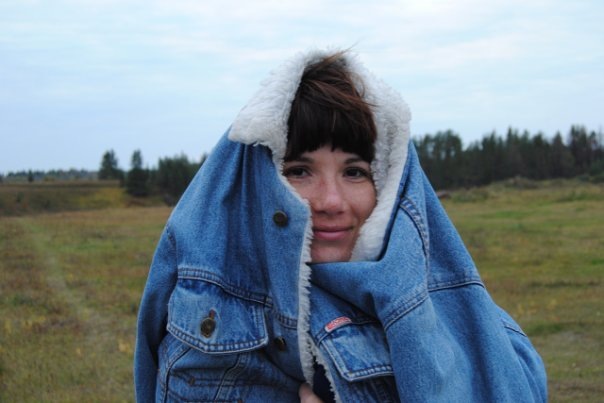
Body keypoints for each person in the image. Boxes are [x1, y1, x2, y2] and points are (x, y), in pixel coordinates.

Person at [134, 50, 547, 402]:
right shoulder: (202, 314)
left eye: (354, 172)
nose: (330, 202)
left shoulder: (473, 326)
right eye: (299, 171)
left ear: (387, 185)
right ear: (260, 184)